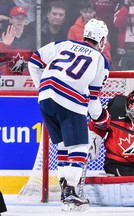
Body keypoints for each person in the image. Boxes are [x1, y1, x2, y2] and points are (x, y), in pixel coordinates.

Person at [28, 18, 110, 211]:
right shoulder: (100, 60)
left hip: (45, 97)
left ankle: (65, 187)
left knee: (65, 145)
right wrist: (102, 118)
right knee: (80, 146)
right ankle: (71, 192)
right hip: (69, 100)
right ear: (102, 39)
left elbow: (33, 62)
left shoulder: (63, 44)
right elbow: (93, 103)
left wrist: (43, 89)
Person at [67, 0, 112, 66]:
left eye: (90, 12)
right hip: (77, 65)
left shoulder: (101, 28)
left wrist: (103, 64)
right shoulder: (73, 29)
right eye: (85, 12)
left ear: (94, 12)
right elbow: (69, 51)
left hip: (95, 65)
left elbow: (105, 50)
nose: (88, 14)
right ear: (81, 11)